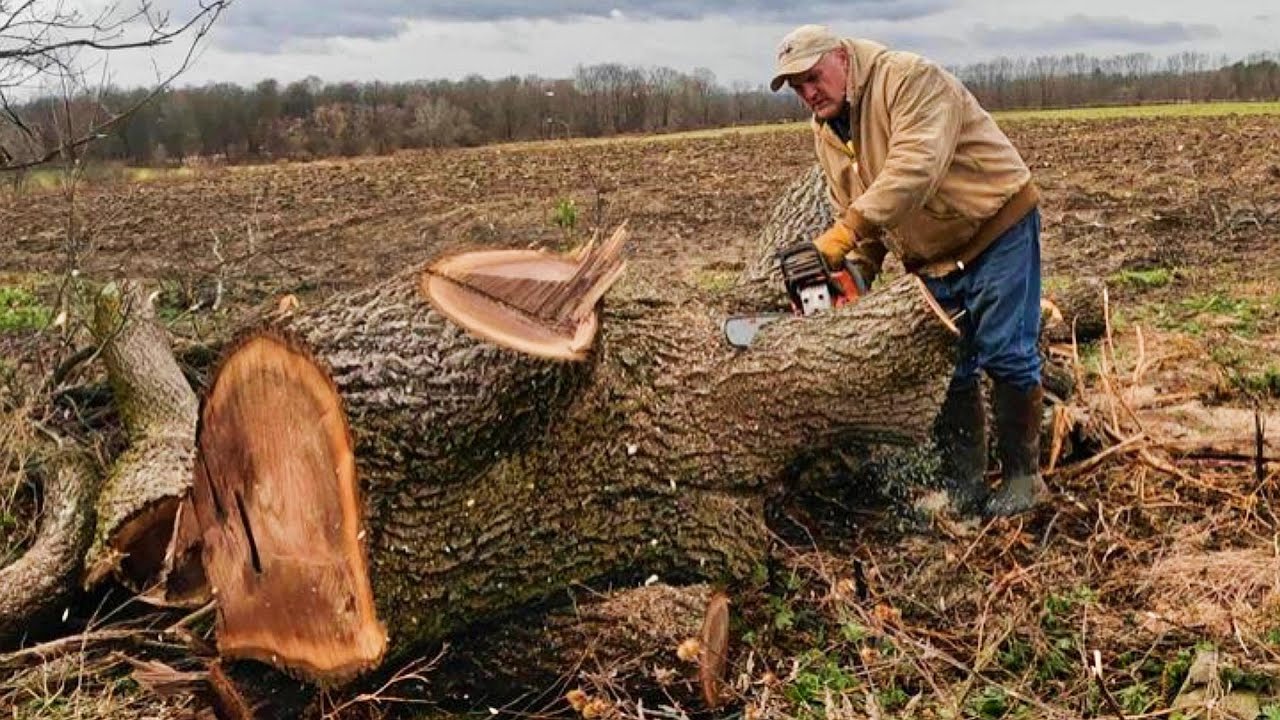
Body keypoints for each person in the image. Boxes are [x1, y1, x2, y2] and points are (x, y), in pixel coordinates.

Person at [770, 24, 1045, 517]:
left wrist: (844, 232)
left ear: (841, 58)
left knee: (1006, 352)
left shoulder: (909, 79)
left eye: (813, 77)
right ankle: (965, 486)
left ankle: (1024, 479)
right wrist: (852, 272)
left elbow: (916, 167)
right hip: (931, 253)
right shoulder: (827, 131)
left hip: (993, 226)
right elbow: (857, 211)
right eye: (796, 86)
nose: (808, 93)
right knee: (948, 371)